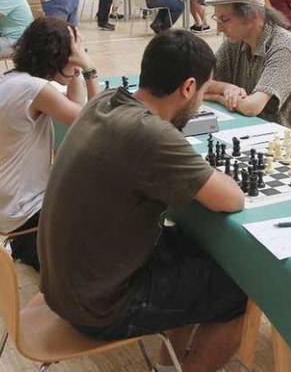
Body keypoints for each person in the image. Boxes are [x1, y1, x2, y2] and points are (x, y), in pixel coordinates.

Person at [39, 29, 248, 372]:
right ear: (188, 87)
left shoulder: (105, 102)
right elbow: (232, 199)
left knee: (190, 250)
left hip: (65, 285)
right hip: (97, 307)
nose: (199, 104)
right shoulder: (150, 134)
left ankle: (169, 367)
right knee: (238, 290)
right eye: (203, 93)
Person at [0, 17, 99, 270]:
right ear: (55, 58)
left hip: (8, 207)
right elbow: (95, 120)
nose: (77, 60)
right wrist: (87, 68)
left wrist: (74, 67)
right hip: (24, 214)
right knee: (111, 199)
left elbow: (76, 109)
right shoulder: (34, 90)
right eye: (73, 54)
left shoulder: (14, 80)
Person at [203, 0, 291, 129]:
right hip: (248, 128)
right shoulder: (235, 42)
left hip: (280, 139)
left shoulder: (283, 47)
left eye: (224, 20)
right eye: (217, 19)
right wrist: (226, 88)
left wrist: (217, 97)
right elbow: (200, 82)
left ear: (253, 16)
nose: (218, 29)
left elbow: (252, 107)